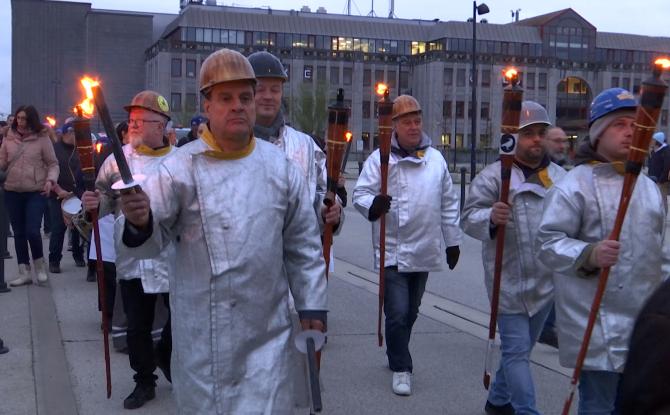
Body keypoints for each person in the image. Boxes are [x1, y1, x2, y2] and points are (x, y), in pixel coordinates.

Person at [117, 48, 327, 413]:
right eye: (226, 98)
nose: (238, 106)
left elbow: (303, 246)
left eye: (245, 97)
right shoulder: (178, 169)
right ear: (208, 104)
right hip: (204, 338)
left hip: (268, 335)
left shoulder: (280, 168)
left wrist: (312, 305)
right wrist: (140, 222)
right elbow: (147, 241)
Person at [536, 88, 669, 414]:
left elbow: (662, 249)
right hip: (595, 323)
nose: (630, 132)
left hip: (644, 324)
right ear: (597, 133)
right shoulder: (574, 185)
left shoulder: (648, 187)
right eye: (619, 124)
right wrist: (589, 254)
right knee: (599, 405)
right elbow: (547, 242)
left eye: (636, 124)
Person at [353, 94, 462, 397]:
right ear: (394, 126)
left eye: (417, 120)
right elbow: (361, 192)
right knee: (398, 312)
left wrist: (452, 241)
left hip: (425, 248)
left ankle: (395, 350)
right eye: (407, 122)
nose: (414, 127)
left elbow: (449, 203)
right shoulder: (381, 159)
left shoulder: (435, 159)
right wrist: (373, 206)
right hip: (393, 250)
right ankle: (402, 368)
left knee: (412, 311)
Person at [462, 101, 565, 415]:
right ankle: (526, 411)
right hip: (507, 285)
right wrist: (491, 217)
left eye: (540, 133)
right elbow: (468, 217)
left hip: (546, 286)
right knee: (518, 354)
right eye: (528, 133)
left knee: (518, 352)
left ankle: (497, 400)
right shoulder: (495, 177)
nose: (535, 139)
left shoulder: (560, 178)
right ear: (513, 137)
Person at [82, 90, 175, 409]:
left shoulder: (180, 161)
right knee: (137, 324)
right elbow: (103, 202)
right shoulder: (116, 159)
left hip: (173, 258)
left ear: (162, 124)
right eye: (131, 119)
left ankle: (167, 352)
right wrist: (92, 205)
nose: (133, 125)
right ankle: (144, 381)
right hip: (133, 257)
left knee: (179, 320)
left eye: (142, 119)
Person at [248, 51, 341, 231]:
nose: (268, 96)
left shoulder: (305, 145)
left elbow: (322, 192)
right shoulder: (232, 145)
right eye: (260, 89)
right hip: (248, 254)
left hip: (295, 255)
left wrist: (328, 210)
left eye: (275, 89)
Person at [0, 105, 59, 286]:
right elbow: (2, 163)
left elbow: (53, 164)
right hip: (12, 191)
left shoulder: (42, 138)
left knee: (33, 231)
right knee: (18, 233)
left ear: (32, 120)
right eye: (18, 118)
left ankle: (40, 267)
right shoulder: (8, 137)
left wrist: (50, 181)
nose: (20, 122)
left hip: (36, 191)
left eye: (24, 119)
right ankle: (24, 271)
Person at [47, 119, 85, 273]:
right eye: (74, 132)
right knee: (58, 227)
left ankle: (78, 255)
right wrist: (58, 190)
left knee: (78, 228)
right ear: (67, 132)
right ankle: (54, 260)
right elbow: (47, 170)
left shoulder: (82, 149)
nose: (76, 135)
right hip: (57, 194)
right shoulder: (54, 149)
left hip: (76, 195)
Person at [647, 131, 670, 211]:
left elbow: (666, 167)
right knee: (654, 200)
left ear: (658, 141)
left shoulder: (666, 151)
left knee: (662, 200)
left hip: (662, 181)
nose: (651, 141)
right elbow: (651, 165)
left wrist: (661, 180)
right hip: (653, 179)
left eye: (653, 140)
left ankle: (663, 219)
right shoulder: (653, 151)